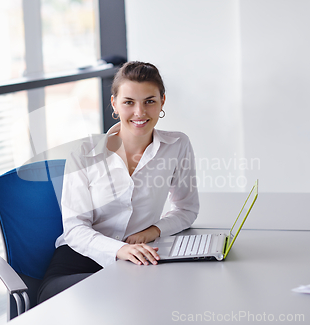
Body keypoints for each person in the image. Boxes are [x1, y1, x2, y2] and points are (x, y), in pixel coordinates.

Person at [37, 61, 199, 303]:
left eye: (149, 101)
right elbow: (74, 228)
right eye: (129, 102)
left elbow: (186, 209)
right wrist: (119, 250)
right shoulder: (84, 153)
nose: (140, 113)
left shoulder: (177, 146)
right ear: (114, 104)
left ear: (162, 101)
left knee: (171, 296)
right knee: (127, 302)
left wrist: (152, 232)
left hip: (135, 262)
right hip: (78, 264)